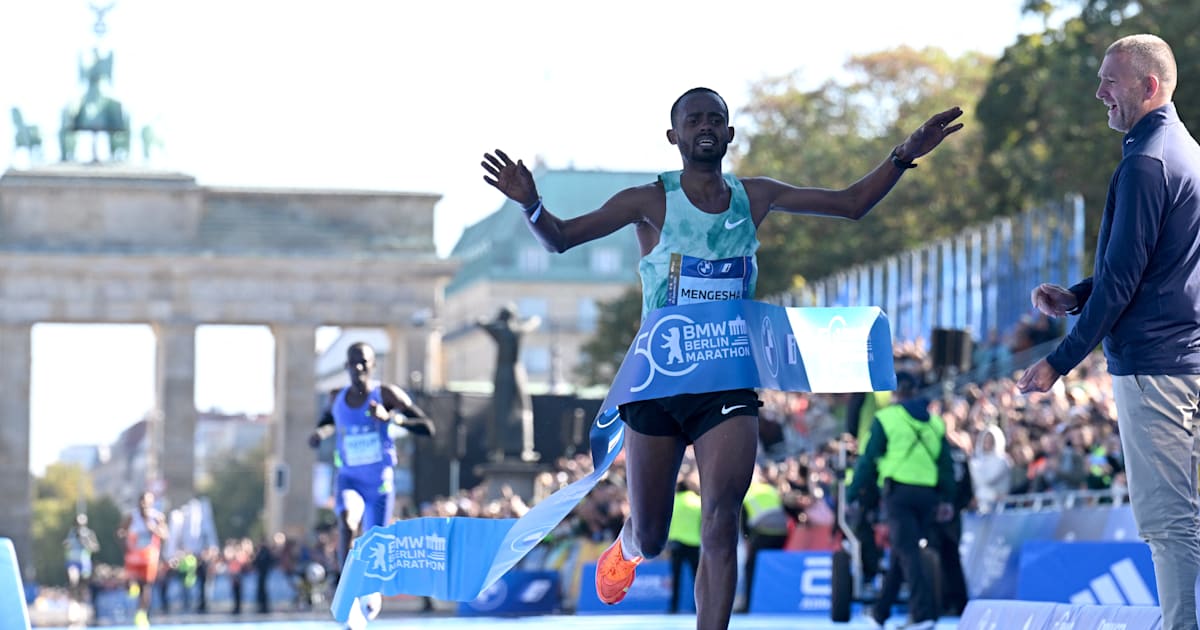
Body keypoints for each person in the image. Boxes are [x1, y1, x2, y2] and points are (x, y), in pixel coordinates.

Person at [482, 87, 962, 630]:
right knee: (656, 534)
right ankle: (630, 545)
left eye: (716, 119)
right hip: (659, 381)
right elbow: (562, 240)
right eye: (694, 120)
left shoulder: (753, 196)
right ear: (674, 136)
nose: (705, 126)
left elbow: (850, 205)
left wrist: (903, 153)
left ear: (730, 135)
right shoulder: (648, 201)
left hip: (728, 381)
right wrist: (531, 205)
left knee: (720, 520)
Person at [1016, 34, 1200, 630]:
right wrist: (1078, 295)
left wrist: (1057, 362)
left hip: (1156, 370)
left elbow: (1125, 282)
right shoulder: (1183, 151)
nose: (1100, 92)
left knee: (1169, 523)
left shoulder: (1145, 161)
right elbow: (1144, 265)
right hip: (1183, 360)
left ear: (1149, 87)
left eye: (1110, 81)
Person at [308, 341, 435, 622]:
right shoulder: (335, 398)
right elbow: (328, 421)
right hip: (349, 478)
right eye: (353, 362)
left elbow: (428, 427)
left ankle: (370, 591)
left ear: (373, 365)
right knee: (346, 521)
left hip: (378, 484)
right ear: (346, 367)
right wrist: (320, 434)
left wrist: (392, 418)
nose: (358, 367)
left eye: (364, 361)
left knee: (372, 542)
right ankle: (346, 588)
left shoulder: (387, 394)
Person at [846, 368, 955, 630]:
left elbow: (868, 461)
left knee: (907, 552)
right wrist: (948, 499)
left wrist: (852, 492)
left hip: (899, 495)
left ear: (896, 393)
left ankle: (924, 614)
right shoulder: (935, 422)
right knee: (900, 553)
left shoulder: (886, 418)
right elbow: (946, 466)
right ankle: (880, 613)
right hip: (928, 496)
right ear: (916, 392)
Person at [476, 303, 541, 462]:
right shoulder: (518, 330)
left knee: (501, 410)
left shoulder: (500, 330)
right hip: (517, 372)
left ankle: (498, 449)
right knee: (523, 408)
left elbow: (480, 322)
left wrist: (491, 321)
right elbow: (533, 322)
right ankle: (526, 448)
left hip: (503, 373)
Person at [738, 465, 789, 612]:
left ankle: (747, 605)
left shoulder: (748, 493)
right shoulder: (771, 490)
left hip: (763, 533)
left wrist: (746, 539)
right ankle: (777, 603)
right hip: (781, 533)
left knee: (750, 568)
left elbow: (744, 521)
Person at [117, 491, 168, 629]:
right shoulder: (131, 517)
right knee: (130, 583)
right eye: (142, 502)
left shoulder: (157, 517)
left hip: (149, 556)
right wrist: (125, 545)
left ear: (152, 503)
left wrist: (154, 529)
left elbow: (165, 535)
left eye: (147, 502)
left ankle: (141, 614)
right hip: (133, 555)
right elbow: (120, 532)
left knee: (145, 585)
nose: (144, 505)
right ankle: (132, 587)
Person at [667, 469, 702, 614]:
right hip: (694, 543)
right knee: (697, 578)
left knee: (676, 578)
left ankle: (673, 607)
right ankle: (698, 607)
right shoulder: (698, 502)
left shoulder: (673, 502)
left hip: (676, 543)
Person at [63, 513, 100, 609]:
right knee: (73, 580)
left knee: (83, 585)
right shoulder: (71, 533)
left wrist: (85, 542)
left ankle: (81, 602)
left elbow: (96, 547)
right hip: (73, 561)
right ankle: (73, 602)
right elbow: (67, 544)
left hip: (84, 563)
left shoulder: (89, 533)